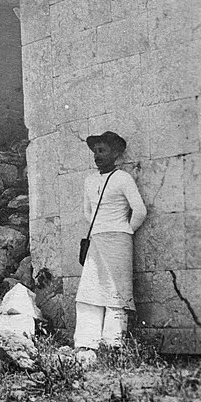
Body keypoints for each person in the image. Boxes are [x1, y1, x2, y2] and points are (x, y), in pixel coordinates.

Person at [74, 131, 147, 356]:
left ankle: (113, 344)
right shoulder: (89, 180)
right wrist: (101, 228)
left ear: (115, 154)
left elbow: (140, 211)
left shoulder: (123, 178)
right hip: (97, 239)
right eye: (95, 151)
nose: (97, 155)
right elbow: (87, 211)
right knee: (89, 290)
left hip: (119, 241)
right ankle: (87, 342)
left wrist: (125, 229)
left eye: (103, 150)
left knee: (117, 291)